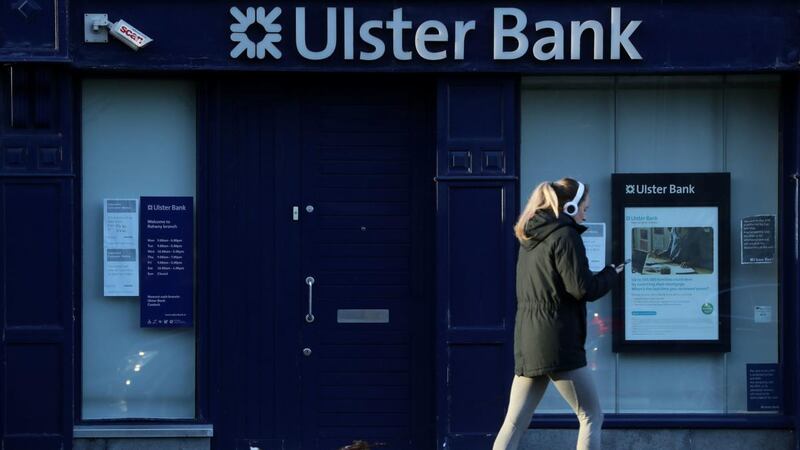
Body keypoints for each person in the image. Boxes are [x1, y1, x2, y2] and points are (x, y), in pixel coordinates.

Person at [493, 178, 621, 450]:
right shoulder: (565, 235)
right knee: (591, 415)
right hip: (558, 342)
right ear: (571, 207)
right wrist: (612, 273)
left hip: (528, 341)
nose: (586, 213)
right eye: (584, 207)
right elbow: (582, 289)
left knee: (514, 422)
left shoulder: (529, 238)